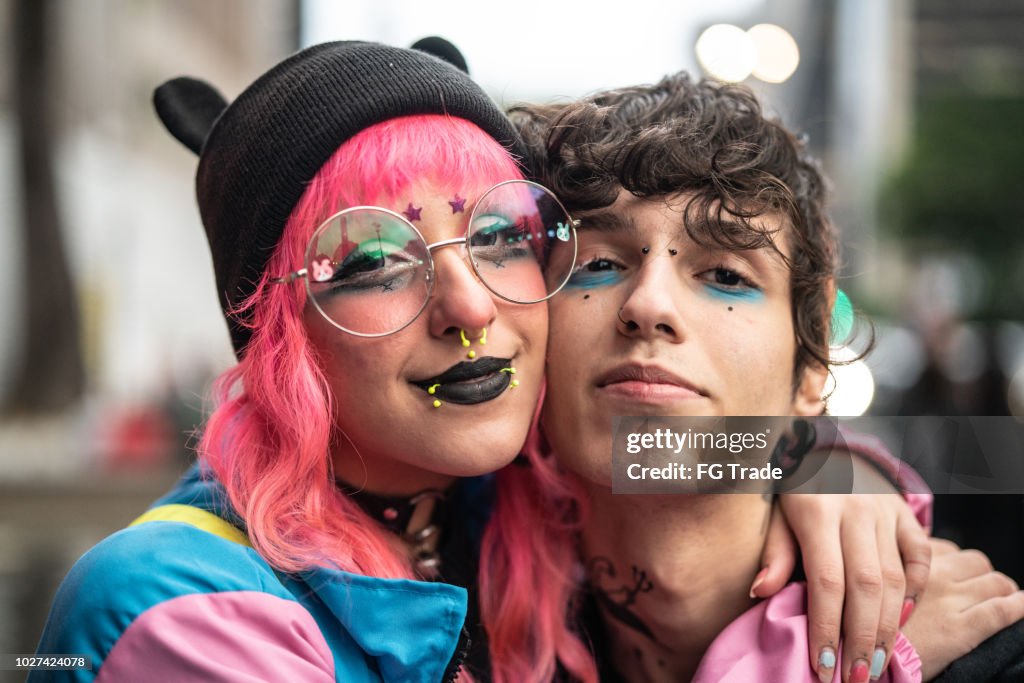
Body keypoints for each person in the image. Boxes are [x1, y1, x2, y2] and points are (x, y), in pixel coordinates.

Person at [31, 40, 936, 683]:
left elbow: (700, 440)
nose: (469, 304)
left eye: (499, 235)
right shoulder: (174, 604)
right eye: (374, 260)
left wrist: (832, 469)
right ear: (278, 333)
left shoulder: (507, 495)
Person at [509, 72, 1024, 682]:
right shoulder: (456, 620)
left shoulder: (977, 650)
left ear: (811, 368)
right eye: (597, 263)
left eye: (727, 275)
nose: (649, 305)